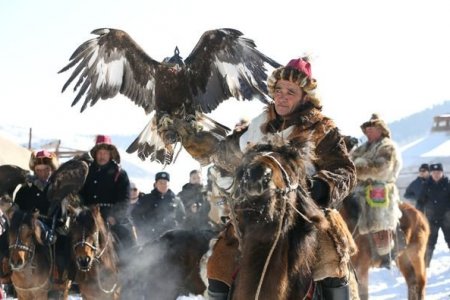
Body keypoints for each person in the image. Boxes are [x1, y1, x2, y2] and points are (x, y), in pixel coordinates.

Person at [173, 57, 356, 299]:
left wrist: (319, 189)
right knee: (218, 263)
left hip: (306, 215)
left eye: (291, 91)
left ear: (305, 96)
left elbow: (345, 170)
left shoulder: (321, 129)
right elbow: (224, 155)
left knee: (331, 259)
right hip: (255, 214)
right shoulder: (257, 127)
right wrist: (192, 137)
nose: (282, 96)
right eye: (278, 90)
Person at [351, 113, 403, 268]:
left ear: (380, 129)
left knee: (379, 217)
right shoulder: (362, 148)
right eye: (366, 129)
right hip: (359, 187)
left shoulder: (388, 146)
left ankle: (385, 252)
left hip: (380, 188)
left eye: (371, 128)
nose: (367, 131)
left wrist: (359, 166)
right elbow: (350, 163)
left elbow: (381, 169)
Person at [79, 135, 136, 255]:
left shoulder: (120, 173)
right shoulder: (86, 171)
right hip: (88, 216)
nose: (102, 156)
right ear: (95, 154)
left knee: (127, 237)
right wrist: (81, 211)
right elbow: (80, 194)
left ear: (110, 154)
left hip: (111, 216)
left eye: (105, 153)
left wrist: (114, 216)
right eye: (100, 153)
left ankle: (129, 271)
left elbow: (125, 200)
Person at [131, 172, 186, 243]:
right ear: (156, 184)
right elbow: (135, 214)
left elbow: (182, 217)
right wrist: (144, 228)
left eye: (165, 183)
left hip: (171, 238)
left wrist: (176, 228)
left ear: (169, 184)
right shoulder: (146, 199)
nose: (163, 185)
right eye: (160, 182)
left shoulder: (176, 200)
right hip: (150, 238)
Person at [416, 163, 450, 267]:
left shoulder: (448, 184)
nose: (436, 174)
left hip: (447, 218)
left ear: (442, 173)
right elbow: (420, 202)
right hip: (431, 219)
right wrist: (419, 217)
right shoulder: (426, 185)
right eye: (434, 172)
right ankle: (425, 265)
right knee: (429, 243)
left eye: (438, 172)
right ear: (430, 173)